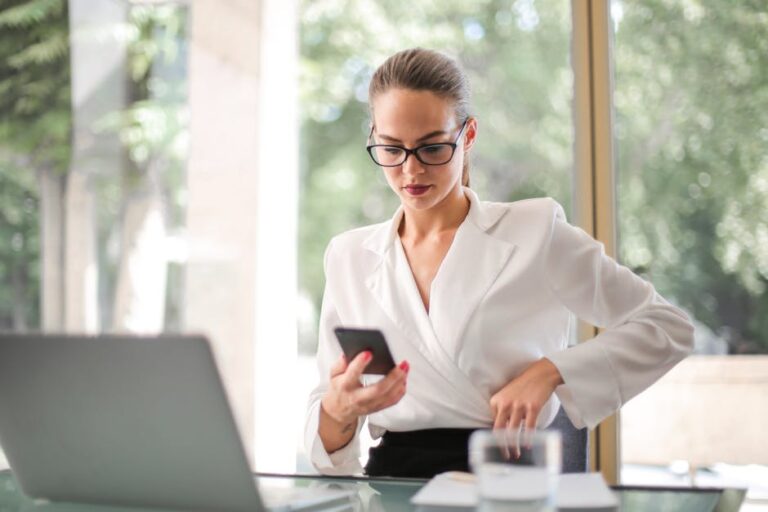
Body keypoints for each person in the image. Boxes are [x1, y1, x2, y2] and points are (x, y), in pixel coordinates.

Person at [303, 48, 694, 478]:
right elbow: (327, 425)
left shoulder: (535, 231)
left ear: (467, 135)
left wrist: (551, 371)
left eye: (432, 147)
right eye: (391, 148)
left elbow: (667, 327)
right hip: (392, 485)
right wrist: (337, 411)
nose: (410, 170)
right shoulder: (349, 257)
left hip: (507, 482)